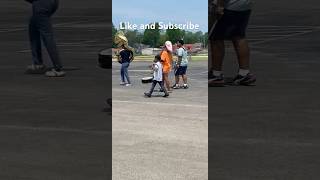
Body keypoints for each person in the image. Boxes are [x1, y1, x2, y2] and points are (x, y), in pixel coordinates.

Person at [208, 0, 256, 86]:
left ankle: (216, 75)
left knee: (216, 38)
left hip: (228, 5)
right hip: (245, 4)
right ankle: (244, 73)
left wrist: (219, 6)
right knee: (239, 36)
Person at [25, 0, 65, 77]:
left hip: (42, 5)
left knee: (47, 35)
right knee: (33, 29)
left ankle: (58, 68)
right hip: (51, 2)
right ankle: (38, 64)